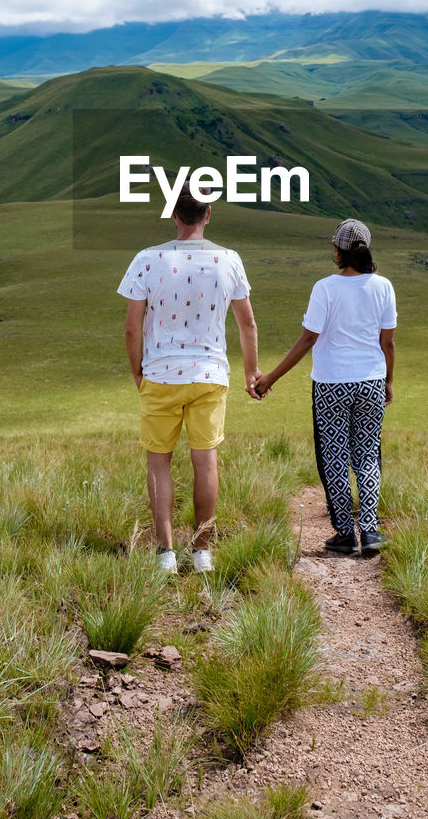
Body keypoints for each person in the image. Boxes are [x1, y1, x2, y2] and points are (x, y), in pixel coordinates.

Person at [118, 183, 262, 574]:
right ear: (208, 214)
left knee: (158, 462)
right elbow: (246, 322)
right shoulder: (229, 259)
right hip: (210, 374)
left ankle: (165, 554)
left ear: (174, 215)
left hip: (160, 373)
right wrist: (251, 370)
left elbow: (132, 328)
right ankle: (202, 552)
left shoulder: (147, 259)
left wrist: (137, 370)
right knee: (206, 462)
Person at [254, 218, 396, 556]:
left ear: (337, 252)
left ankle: (345, 534)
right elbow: (388, 343)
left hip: (331, 383)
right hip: (371, 381)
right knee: (367, 453)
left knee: (333, 455)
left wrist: (269, 379)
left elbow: (307, 339)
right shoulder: (384, 287)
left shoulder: (325, 288)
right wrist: (389, 380)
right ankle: (371, 530)